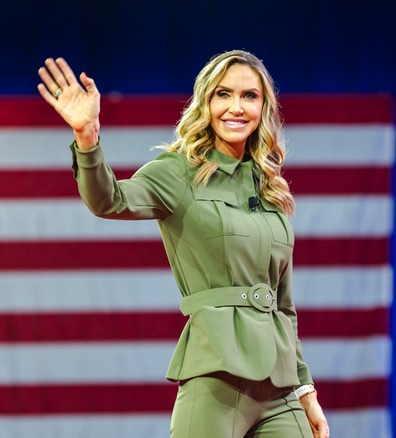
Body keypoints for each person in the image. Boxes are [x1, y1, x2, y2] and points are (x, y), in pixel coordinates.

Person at [37, 50, 330, 438]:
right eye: (223, 94)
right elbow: (109, 200)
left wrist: (305, 389)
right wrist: (87, 138)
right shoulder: (178, 172)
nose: (236, 107)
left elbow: (283, 304)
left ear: (264, 106)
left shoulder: (269, 187)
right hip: (216, 378)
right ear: (205, 102)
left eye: (249, 96)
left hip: (280, 390)